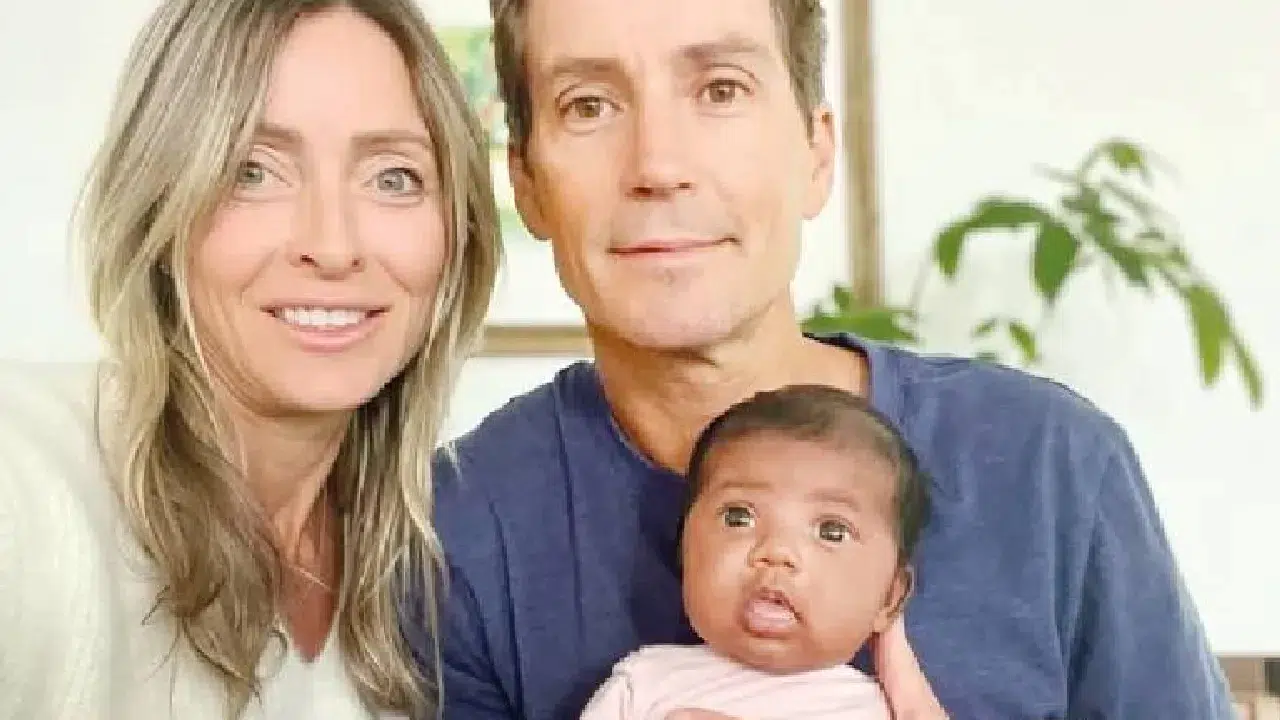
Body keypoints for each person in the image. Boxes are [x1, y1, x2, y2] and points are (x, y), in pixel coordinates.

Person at [418, 0, 1235, 718]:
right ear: (526, 182)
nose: (658, 166)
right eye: (589, 105)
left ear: (815, 152)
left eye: (720, 90)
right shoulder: (457, 528)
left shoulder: (1051, 466)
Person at [0, 1, 498, 718]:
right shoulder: (33, 489)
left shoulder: (433, 573)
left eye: (393, 177)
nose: (332, 246)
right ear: (159, 204)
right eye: (253, 172)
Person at [578, 385, 929, 720]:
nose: (776, 551)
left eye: (832, 532)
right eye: (738, 517)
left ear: (889, 599)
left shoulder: (890, 710)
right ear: (684, 549)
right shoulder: (643, 682)